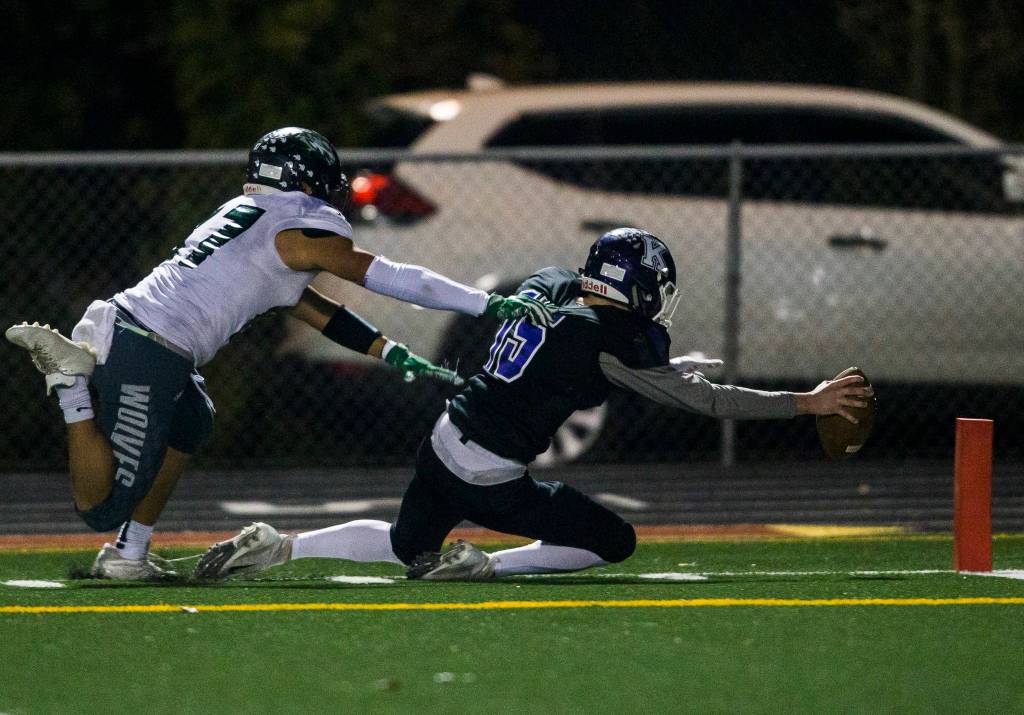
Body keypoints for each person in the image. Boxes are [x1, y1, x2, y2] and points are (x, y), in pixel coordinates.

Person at [5, 127, 554, 580]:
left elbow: (310, 307)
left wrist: (389, 349)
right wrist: (485, 303)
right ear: (309, 182)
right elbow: (390, 277)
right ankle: (71, 387)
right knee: (101, 505)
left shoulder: (249, 216)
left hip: (146, 334)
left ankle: (129, 557)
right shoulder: (299, 226)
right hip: (148, 346)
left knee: (192, 423)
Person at [196, 227, 874, 581]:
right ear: (639, 288)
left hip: (444, 438)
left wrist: (669, 368)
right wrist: (804, 402)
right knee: (614, 541)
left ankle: (282, 546)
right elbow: (708, 402)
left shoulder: (552, 288)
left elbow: (592, 360)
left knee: (408, 547)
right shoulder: (612, 340)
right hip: (489, 473)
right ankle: (480, 565)